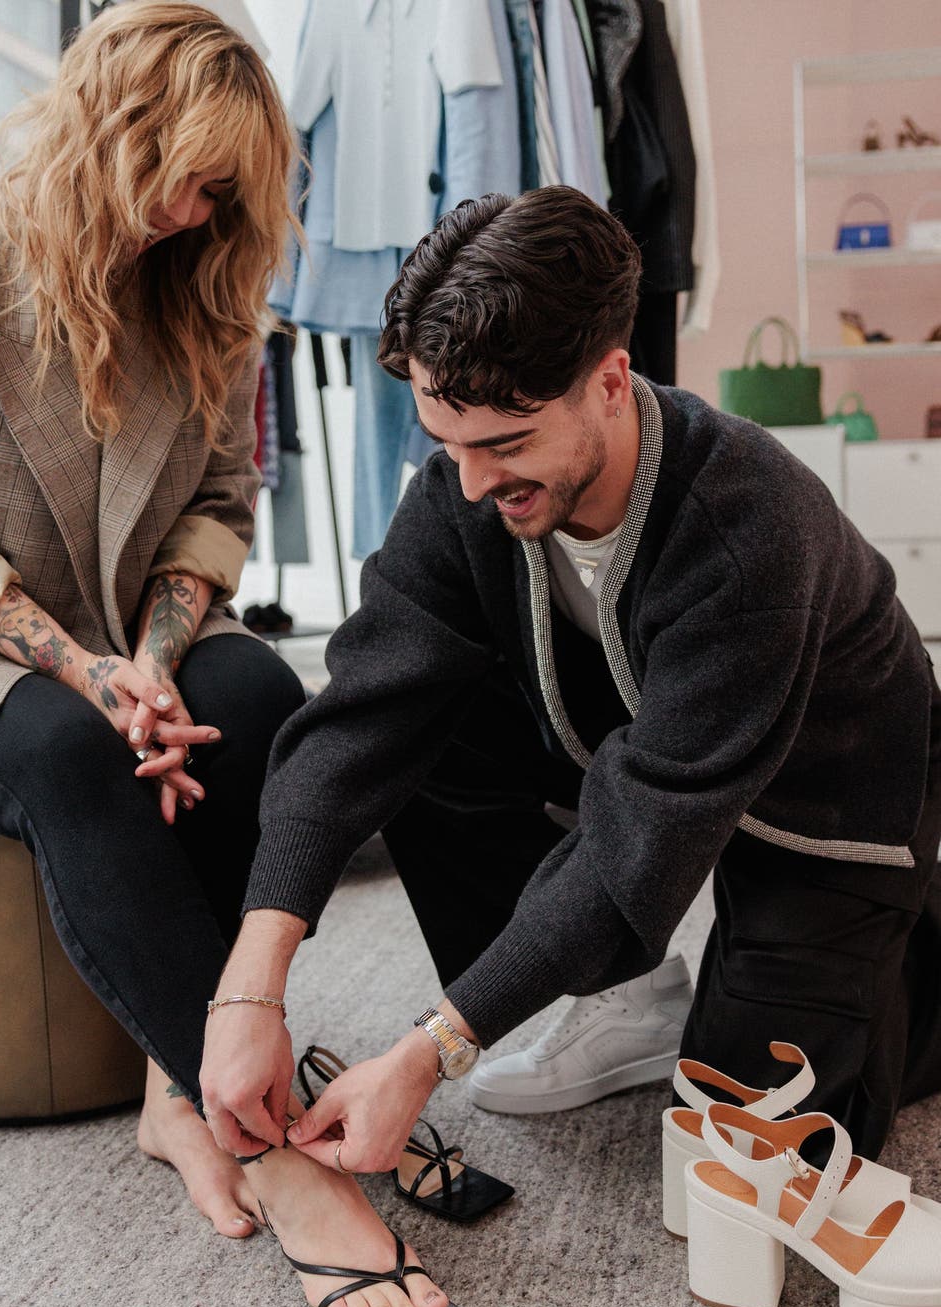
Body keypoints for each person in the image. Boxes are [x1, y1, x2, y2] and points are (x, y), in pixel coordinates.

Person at [0, 2, 458, 1307]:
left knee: (262, 700)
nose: (194, 210)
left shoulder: (198, 290)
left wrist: (149, 664)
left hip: (109, 648)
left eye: (224, 190)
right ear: (108, 128)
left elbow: (219, 499)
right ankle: (262, 1142)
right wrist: (95, 680)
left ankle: (176, 1081)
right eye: (184, 173)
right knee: (71, 746)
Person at [201, 184, 941, 1182]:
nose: (468, 483)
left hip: (830, 794)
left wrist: (427, 1050)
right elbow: (355, 721)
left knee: (754, 1151)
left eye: (504, 445)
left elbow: (643, 828)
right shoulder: (461, 492)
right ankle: (618, 992)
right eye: (446, 443)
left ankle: (907, 943)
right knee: (422, 725)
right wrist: (250, 982)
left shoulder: (747, 530)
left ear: (608, 379)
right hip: (640, 733)